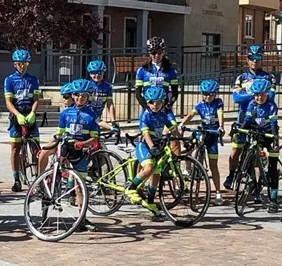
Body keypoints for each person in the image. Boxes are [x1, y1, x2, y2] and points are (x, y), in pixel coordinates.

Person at [47, 78, 100, 231]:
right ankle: (50, 193)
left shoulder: (91, 115)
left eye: (83, 95)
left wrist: (83, 144)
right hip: (66, 148)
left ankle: (82, 218)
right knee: (55, 169)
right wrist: (52, 143)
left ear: (88, 96)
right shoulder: (65, 113)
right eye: (76, 95)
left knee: (80, 186)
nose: (79, 98)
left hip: (80, 151)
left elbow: (94, 137)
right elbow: (59, 133)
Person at [225, 44, 278, 191]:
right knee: (236, 150)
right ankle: (231, 174)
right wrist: (256, 95)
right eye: (252, 58)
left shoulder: (269, 77)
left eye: (258, 58)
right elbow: (236, 98)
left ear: (262, 59)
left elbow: (270, 97)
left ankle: (260, 181)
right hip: (244, 117)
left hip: (262, 119)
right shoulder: (241, 77)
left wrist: (247, 95)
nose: (255, 61)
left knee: (258, 151)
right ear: (247, 60)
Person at [125, 84, 181, 214]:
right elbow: (145, 134)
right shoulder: (146, 115)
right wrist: (152, 147)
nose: (155, 105)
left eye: (158, 102)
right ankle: (131, 188)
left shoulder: (163, 115)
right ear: (147, 102)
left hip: (157, 146)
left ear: (163, 102)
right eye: (151, 102)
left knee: (156, 173)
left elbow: (174, 131)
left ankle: (150, 202)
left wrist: (185, 140)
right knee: (149, 168)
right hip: (145, 146)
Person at [3, 48, 41, 192]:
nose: (22, 66)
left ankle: (38, 179)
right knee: (15, 149)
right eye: (19, 63)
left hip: (29, 115)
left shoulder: (33, 79)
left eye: (24, 63)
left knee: (37, 149)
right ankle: (16, 179)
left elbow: (36, 100)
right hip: (16, 117)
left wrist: (32, 112)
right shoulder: (10, 80)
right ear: (14, 64)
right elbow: (8, 101)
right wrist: (17, 114)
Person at [242, 76, 280, 213]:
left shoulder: (271, 106)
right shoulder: (252, 104)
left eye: (262, 95)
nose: (259, 98)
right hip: (257, 133)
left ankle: (273, 200)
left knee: (272, 167)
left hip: (270, 134)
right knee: (250, 153)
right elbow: (247, 120)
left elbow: (274, 124)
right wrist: (240, 129)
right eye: (257, 95)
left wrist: (275, 138)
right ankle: (254, 182)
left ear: (267, 94)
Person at [182, 79, 225, 201]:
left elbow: (220, 114)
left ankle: (217, 193)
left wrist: (221, 127)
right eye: (205, 94)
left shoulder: (218, 103)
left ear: (215, 94)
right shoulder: (200, 105)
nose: (207, 97)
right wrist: (182, 124)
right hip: (203, 131)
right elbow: (191, 115)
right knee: (188, 147)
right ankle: (188, 168)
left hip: (213, 134)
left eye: (210, 94)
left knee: (213, 166)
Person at [135, 37, 179, 110]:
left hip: (164, 108)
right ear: (149, 53)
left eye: (159, 52)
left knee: (173, 122)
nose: (156, 56)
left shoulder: (170, 70)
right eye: (153, 53)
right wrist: (146, 107)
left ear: (163, 52)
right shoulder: (142, 70)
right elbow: (138, 94)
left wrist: (169, 105)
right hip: (148, 107)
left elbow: (175, 92)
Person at [86, 59, 118, 129]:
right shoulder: (86, 85)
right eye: (94, 73)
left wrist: (113, 121)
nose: (97, 75)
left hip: (98, 118)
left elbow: (110, 104)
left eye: (100, 73)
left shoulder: (107, 86)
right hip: (86, 117)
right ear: (90, 74)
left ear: (103, 73)